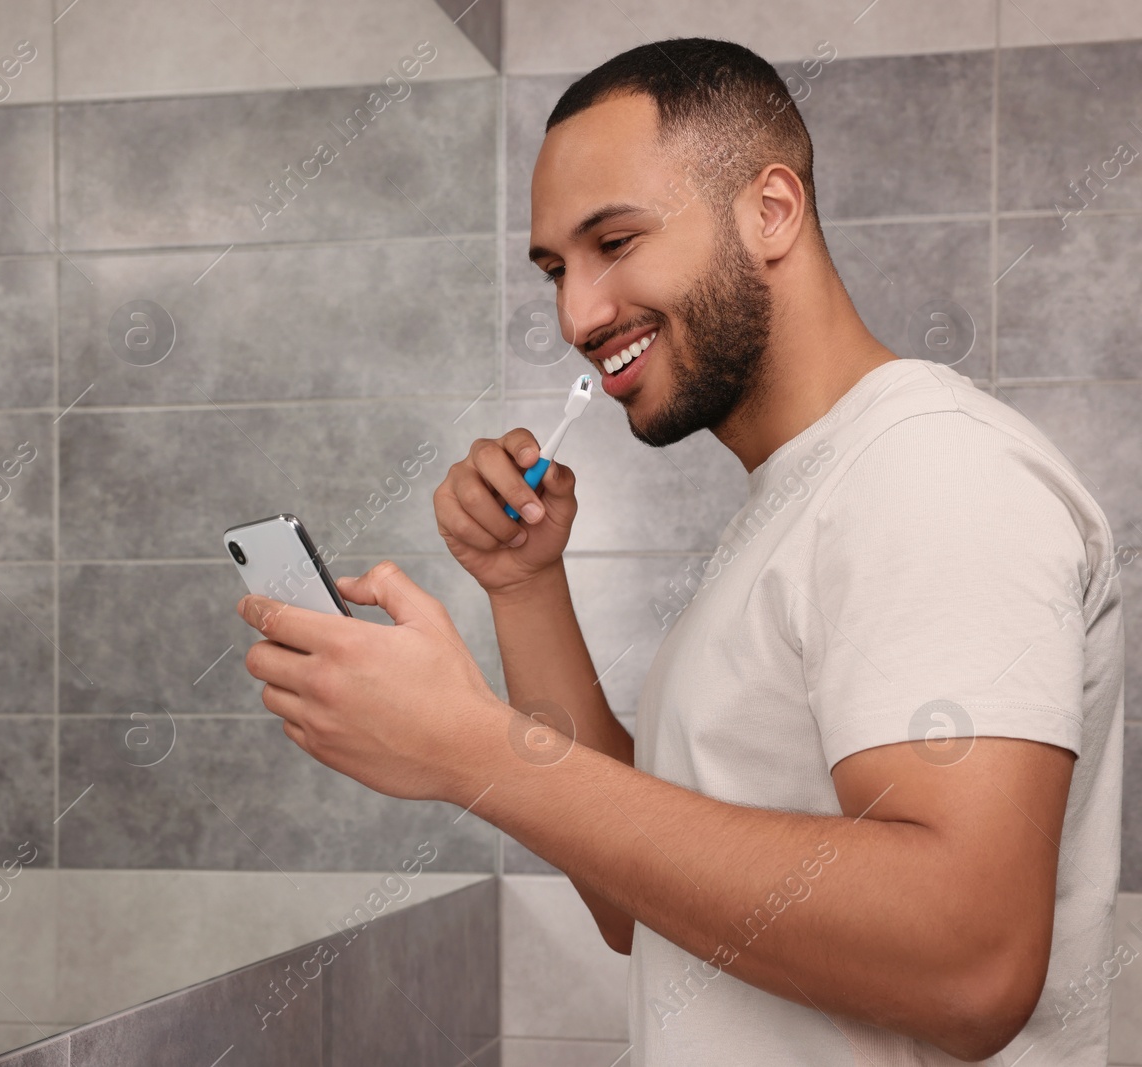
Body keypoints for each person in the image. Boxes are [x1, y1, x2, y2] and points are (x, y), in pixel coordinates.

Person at [236, 37, 1124, 1065]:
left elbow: (966, 967)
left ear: (771, 210)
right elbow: (634, 901)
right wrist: (523, 587)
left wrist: (470, 752)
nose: (575, 312)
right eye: (555, 270)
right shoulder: (807, 493)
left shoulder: (931, 472)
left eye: (613, 241)